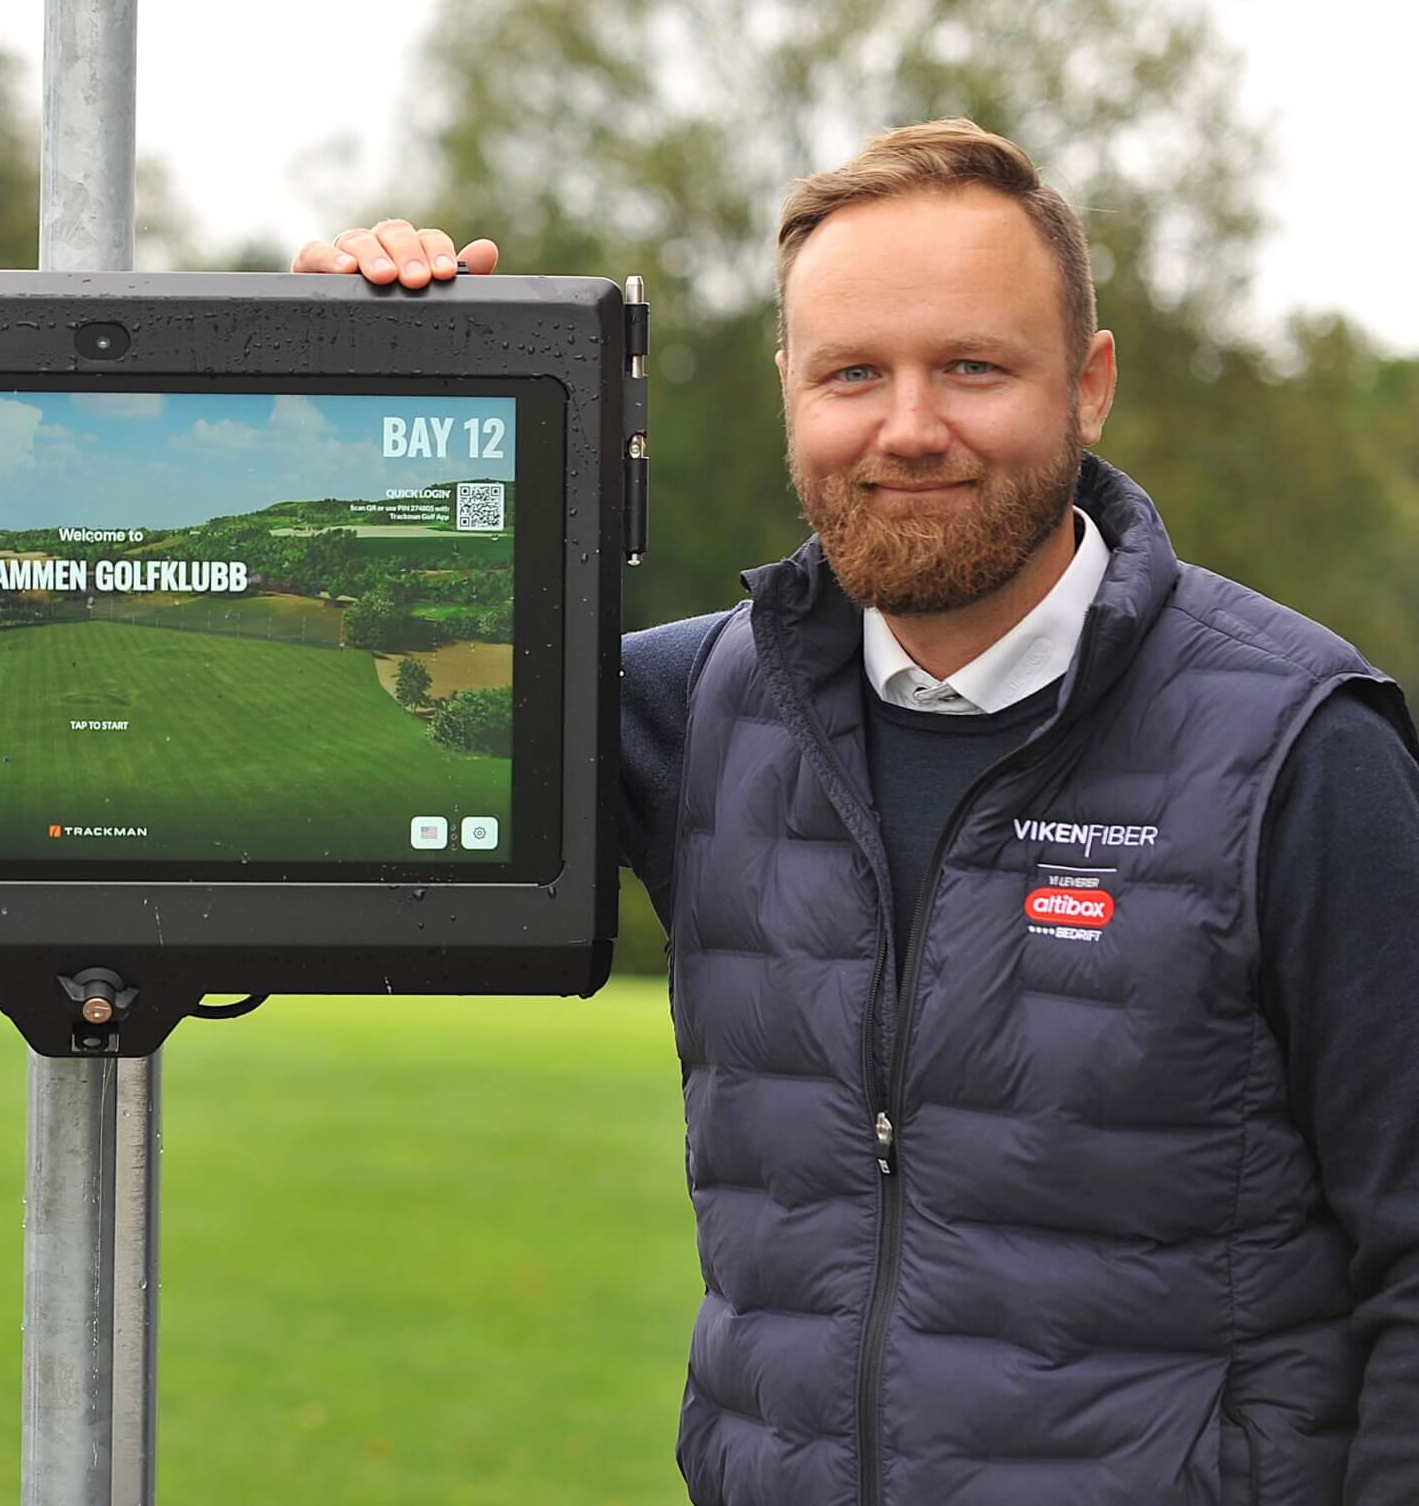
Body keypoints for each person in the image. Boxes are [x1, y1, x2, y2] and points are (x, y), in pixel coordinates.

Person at [297, 121, 1419, 1505]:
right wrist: (371, 355)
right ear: (790, 391)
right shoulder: (691, 707)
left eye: (972, 366)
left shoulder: (1302, 746)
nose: (907, 427)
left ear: (1090, 385)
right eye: (852, 374)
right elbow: (362, 722)